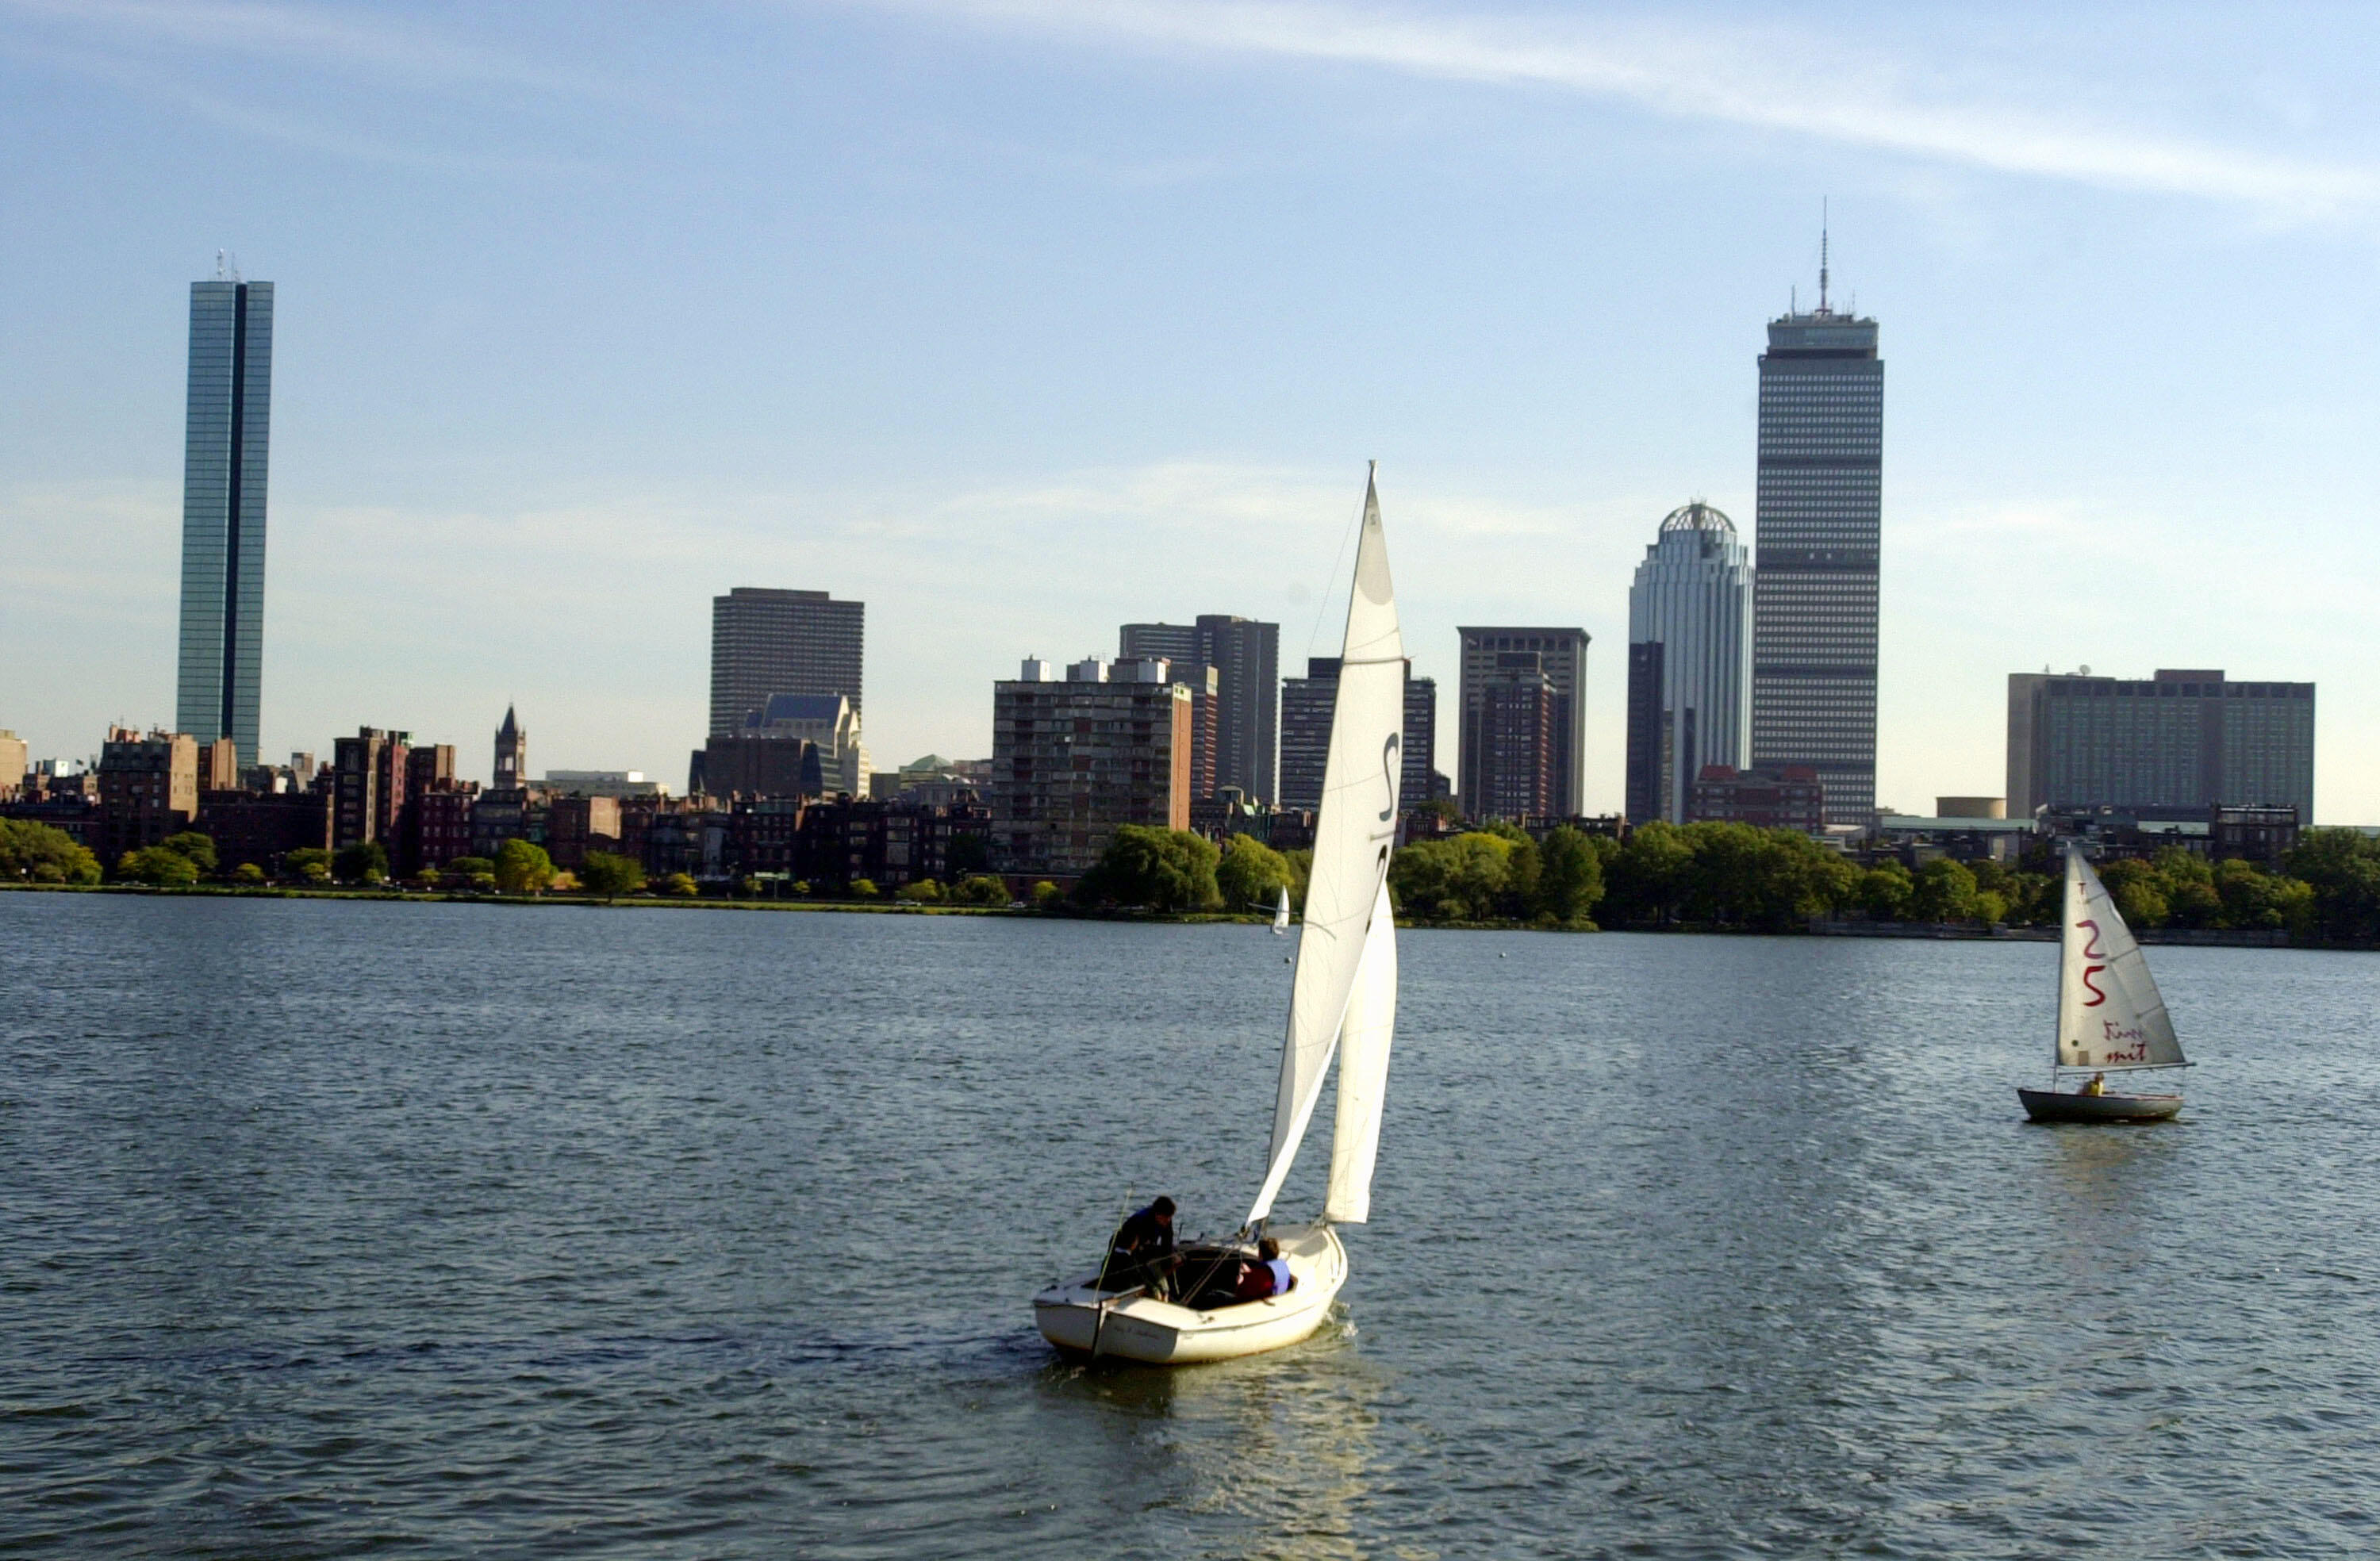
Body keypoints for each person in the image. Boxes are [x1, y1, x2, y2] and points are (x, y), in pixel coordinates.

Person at [1105, 1197, 1177, 1297]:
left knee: (1174, 1258)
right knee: (1135, 1268)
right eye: (1165, 1219)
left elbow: (1167, 1242)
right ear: (1158, 1215)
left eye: (1169, 1218)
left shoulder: (1167, 1220)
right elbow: (1130, 1248)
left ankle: (1172, 1293)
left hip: (1145, 1247)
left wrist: (1167, 1262)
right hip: (1129, 1249)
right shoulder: (1139, 1220)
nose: (1168, 1221)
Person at [1232, 1237, 1294, 1302]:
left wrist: (1240, 1283)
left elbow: (1241, 1295)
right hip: (1277, 1298)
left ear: (1260, 1254)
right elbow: (1261, 1279)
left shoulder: (1262, 1275)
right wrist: (1250, 1272)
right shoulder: (1281, 1266)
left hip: (1258, 1304)